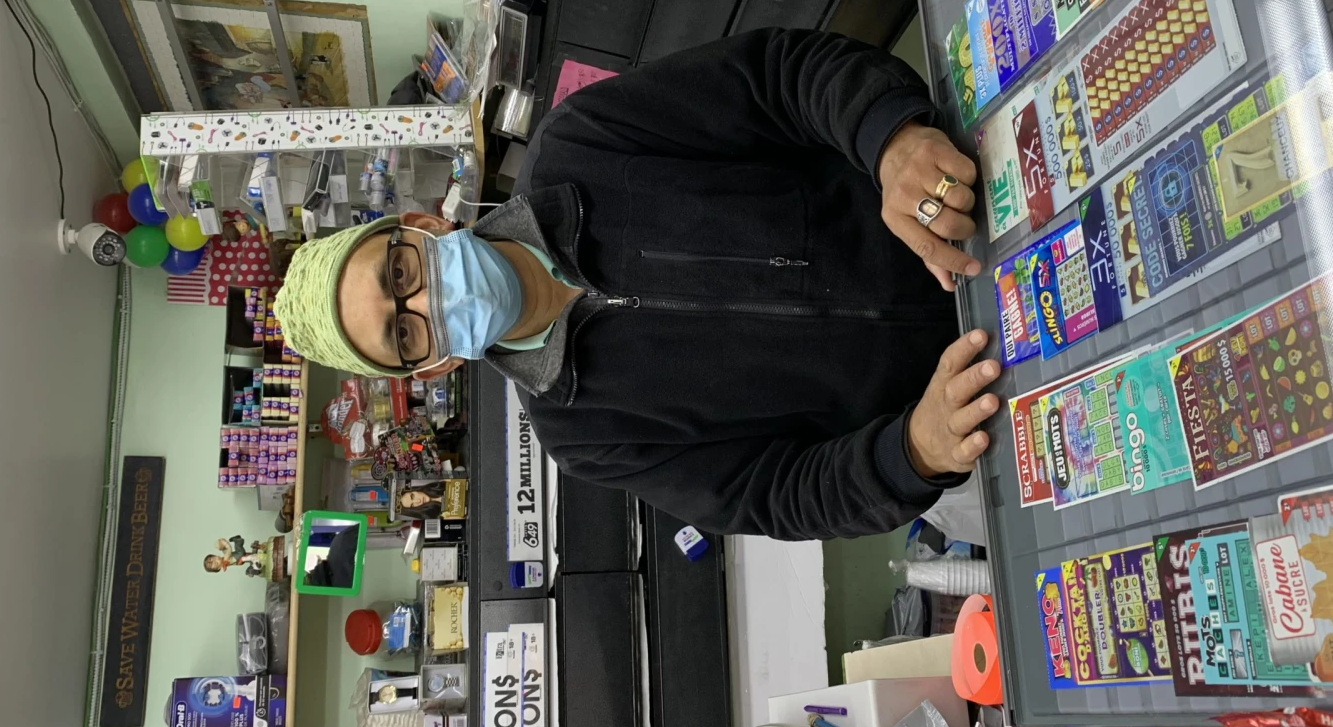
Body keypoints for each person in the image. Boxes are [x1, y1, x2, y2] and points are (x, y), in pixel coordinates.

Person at [276, 29, 1002, 541]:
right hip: (977, 391)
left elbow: (774, 79)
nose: (430, 300)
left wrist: (888, 139)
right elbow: (776, 494)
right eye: (405, 331)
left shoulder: (579, 144)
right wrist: (915, 450)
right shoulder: (585, 435)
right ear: (432, 367)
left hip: (970, 194)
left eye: (401, 273)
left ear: (421, 224)